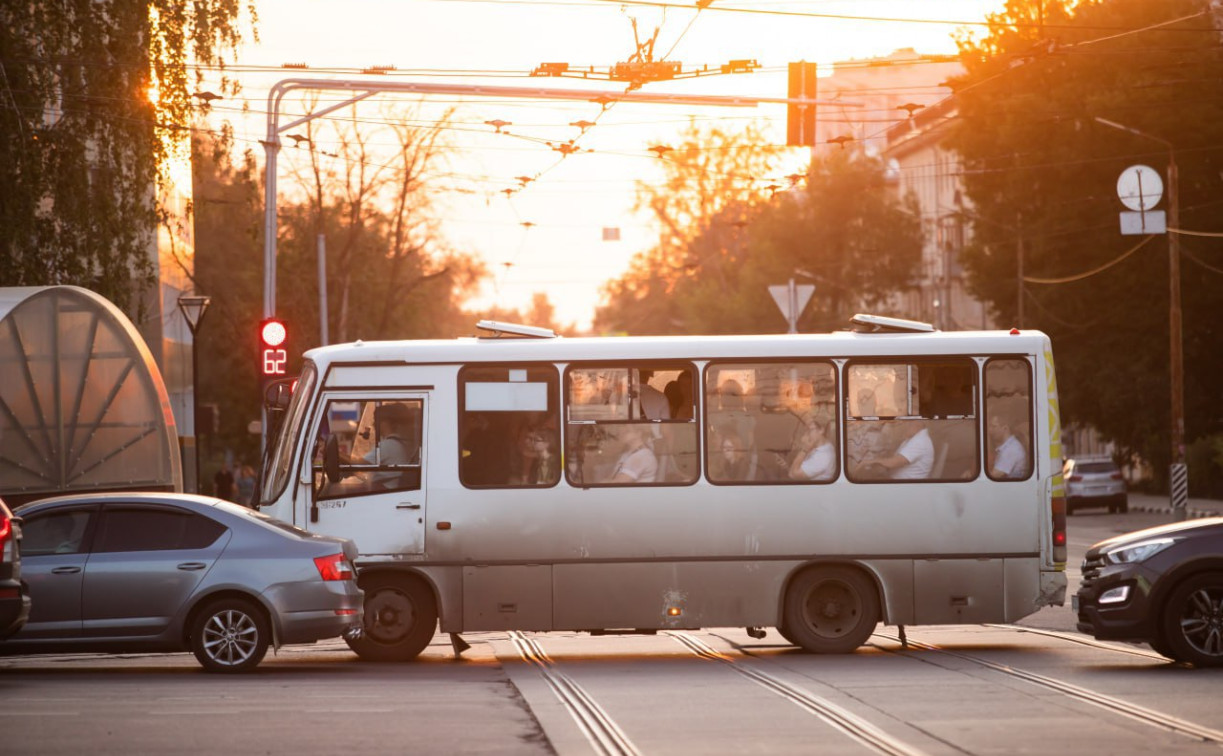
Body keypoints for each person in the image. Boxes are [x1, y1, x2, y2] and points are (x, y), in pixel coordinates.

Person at [362, 402, 418, 488]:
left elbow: (360, 464)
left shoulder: (388, 445)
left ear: (384, 423)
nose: (373, 425)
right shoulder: (401, 443)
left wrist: (339, 457)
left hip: (383, 492)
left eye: (376, 421)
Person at [865, 420, 934, 479]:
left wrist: (870, 462)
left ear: (918, 424)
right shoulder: (914, 438)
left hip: (907, 487)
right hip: (899, 483)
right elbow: (897, 456)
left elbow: (894, 463)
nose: (905, 425)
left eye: (909, 423)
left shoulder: (920, 441)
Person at [988, 411, 1028, 479]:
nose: (990, 430)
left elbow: (994, 476)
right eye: (990, 426)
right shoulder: (1008, 445)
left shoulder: (1012, 449)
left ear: (1005, 428)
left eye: (994, 426)